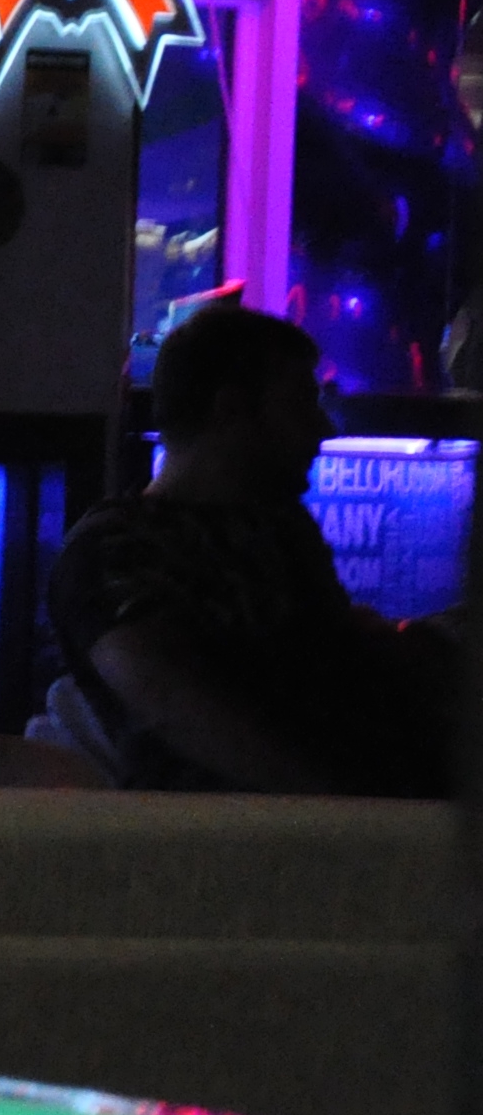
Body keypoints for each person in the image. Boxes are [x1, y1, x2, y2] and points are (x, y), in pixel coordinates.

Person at [49, 303, 452, 795]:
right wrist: (359, 804)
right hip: (230, 830)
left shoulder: (279, 526)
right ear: (231, 410)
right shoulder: (113, 549)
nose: (324, 428)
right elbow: (175, 708)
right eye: (301, 404)